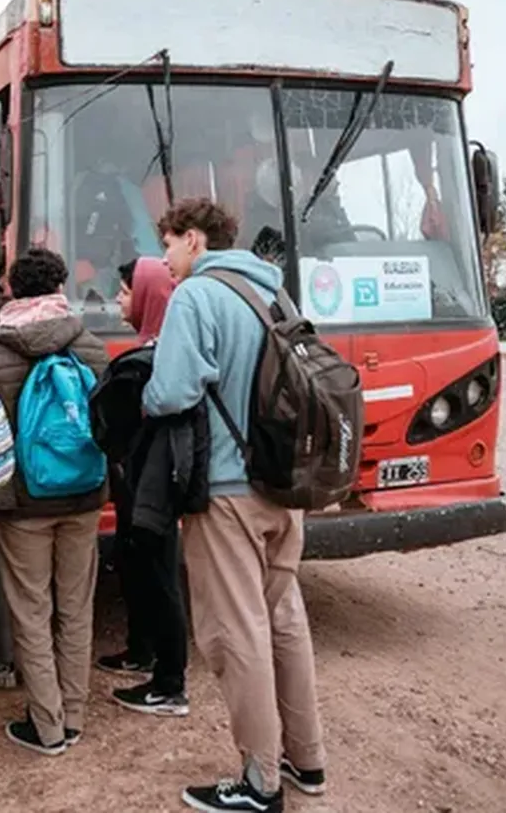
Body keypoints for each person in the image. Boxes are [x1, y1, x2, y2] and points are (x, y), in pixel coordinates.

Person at [142, 199, 326, 812]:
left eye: (167, 243)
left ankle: (258, 782)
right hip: (286, 486)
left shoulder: (197, 297)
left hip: (227, 490)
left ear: (193, 240)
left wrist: (142, 396)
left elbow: (171, 392)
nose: (164, 257)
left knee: (236, 631)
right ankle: (308, 760)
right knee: (284, 621)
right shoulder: (278, 293)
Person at [0, 248, 109, 756]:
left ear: (11, 289)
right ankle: (74, 714)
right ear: (60, 285)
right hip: (83, 495)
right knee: (76, 607)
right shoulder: (90, 345)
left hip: (22, 504)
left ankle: (46, 724)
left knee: (31, 611)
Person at [99, 257, 193, 721]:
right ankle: (140, 650)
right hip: (136, 477)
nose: (118, 298)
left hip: (155, 480)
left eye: (124, 289)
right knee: (136, 561)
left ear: (148, 295)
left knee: (160, 571)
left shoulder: (167, 354)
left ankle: (171, 682)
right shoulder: (151, 345)